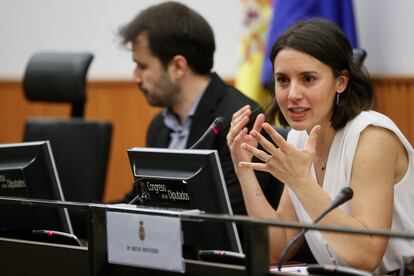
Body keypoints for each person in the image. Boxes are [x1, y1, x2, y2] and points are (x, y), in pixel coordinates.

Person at [227, 18, 414, 274]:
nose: (292, 94)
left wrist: (301, 182)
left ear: (341, 82)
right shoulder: (298, 137)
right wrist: (244, 168)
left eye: (308, 79)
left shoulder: (372, 136)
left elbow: (366, 256)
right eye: (282, 80)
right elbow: (276, 247)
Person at [117, 2, 282, 215]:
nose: (135, 78)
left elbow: (227, 215)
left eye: (143, 66)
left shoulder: (241, 121)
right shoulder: (159, 126)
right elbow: (138, 201)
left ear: (178, 67)